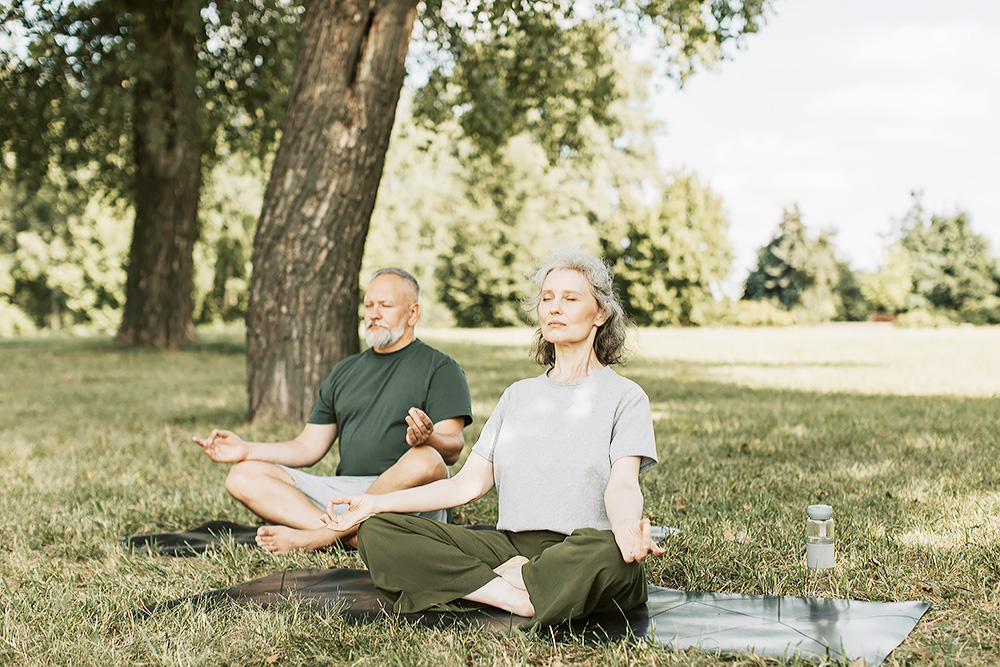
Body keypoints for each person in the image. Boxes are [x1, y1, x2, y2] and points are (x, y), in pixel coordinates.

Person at [324, 251, 664, 627]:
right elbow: (465, 486)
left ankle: (496, 582)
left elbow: (623, 487)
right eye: (547, 298)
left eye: (570, 298)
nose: (554, 308)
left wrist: (627, 528)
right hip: (510, 548)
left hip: (580, 549)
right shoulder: (517, 396)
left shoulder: (625, 397)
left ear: (600, 313)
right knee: (380, 530)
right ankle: (510, 595)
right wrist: (374, 503)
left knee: (613, 558)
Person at [192, 268, 473, 554]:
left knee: (427, 458)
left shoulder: (441, 368)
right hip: (347, 494)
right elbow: (307, 447)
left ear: (412, 313)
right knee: (243, 475)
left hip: (406, 497)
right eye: (368, 305)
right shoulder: (345, 371)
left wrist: (430, 438)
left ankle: (318, 538)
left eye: (385, 306)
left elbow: (451, 451)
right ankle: (348, 536)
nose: (374, 314)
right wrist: (246, 450)